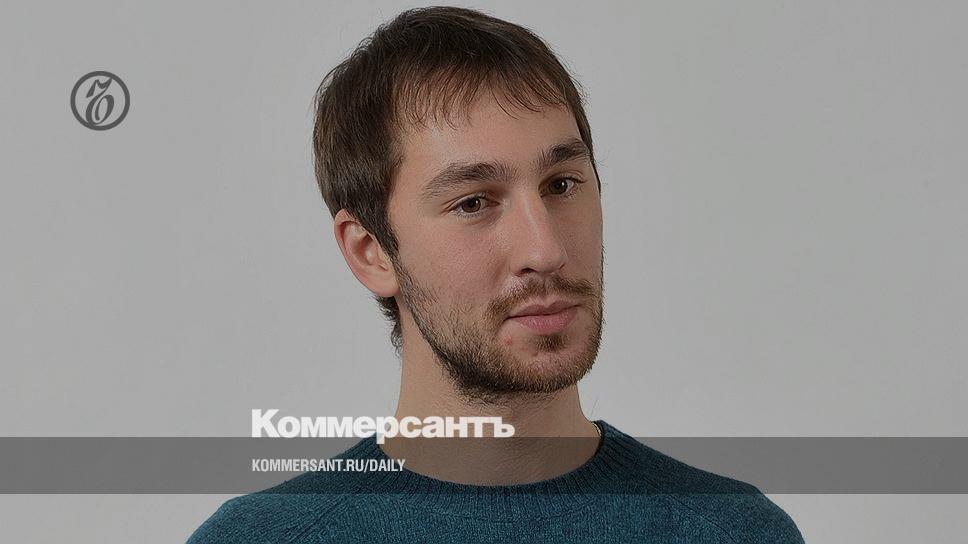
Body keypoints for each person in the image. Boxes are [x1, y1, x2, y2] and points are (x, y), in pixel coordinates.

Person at [188, 6, 804, 543]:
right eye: (474, 202)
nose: (545, 249)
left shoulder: (734, 531)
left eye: (561, 185)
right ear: (372, 251)